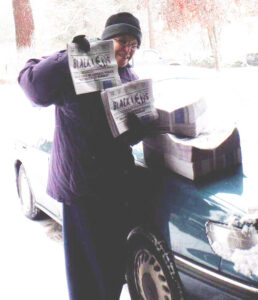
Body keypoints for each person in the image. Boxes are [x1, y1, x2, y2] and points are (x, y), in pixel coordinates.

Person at [18, 12, 157, 300]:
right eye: (122, 41)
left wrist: (140, 124)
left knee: (110, 271)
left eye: (134, 45)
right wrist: (67, 57)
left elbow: (131, 136)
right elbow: (32, 86)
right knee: (85, 277)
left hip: (116, 188)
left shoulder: (128, 76)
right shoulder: (78, 64)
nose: (128, 50)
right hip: (81, 191)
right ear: (106, 40)